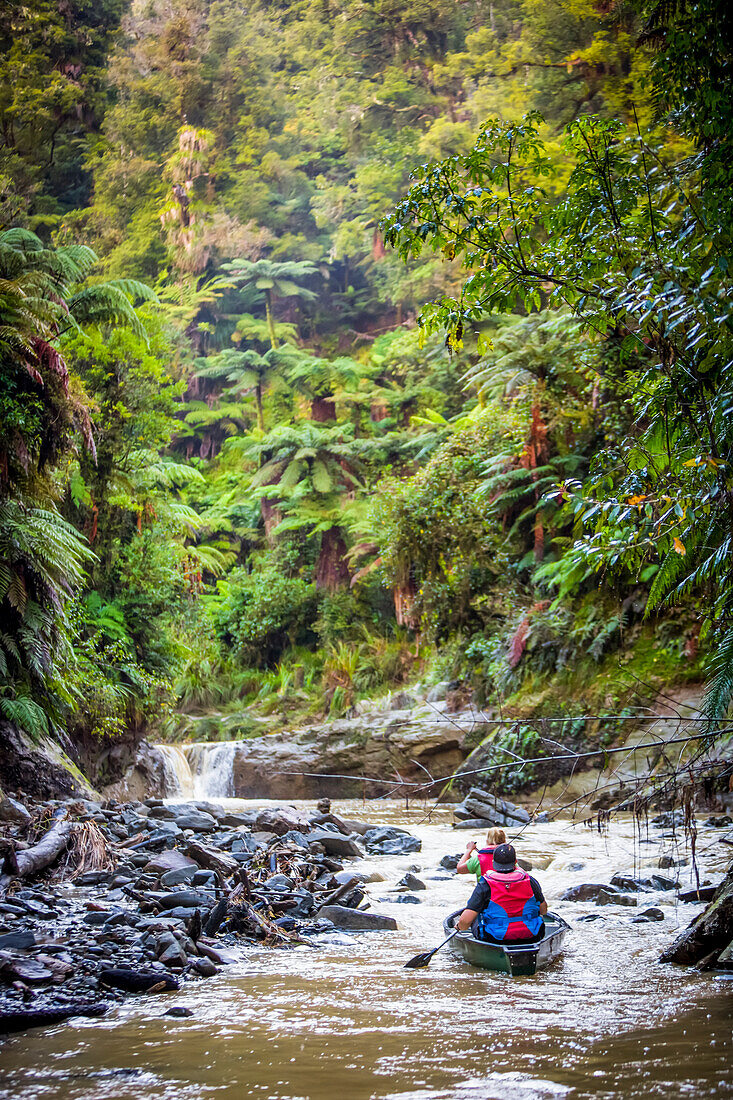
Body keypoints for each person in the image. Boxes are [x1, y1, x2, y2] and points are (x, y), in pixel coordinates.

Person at [455, 842, 547, 943]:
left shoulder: (485, 884)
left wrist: (459, 926)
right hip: (532, 936)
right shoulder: (530, 880)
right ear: (515, 861)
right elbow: (543, 911)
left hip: (495, 938)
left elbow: (465, 922)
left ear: (493, 863)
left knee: (476, 916)